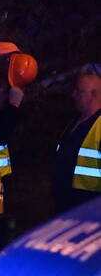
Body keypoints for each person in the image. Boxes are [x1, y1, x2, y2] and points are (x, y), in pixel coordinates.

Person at [52, 69, 101, 213]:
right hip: (67, 206)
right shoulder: (74, 122)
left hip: (89, 209)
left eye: (79, 91)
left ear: (94, 94)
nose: (73, 95)